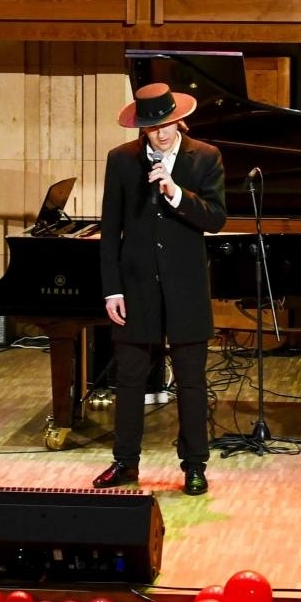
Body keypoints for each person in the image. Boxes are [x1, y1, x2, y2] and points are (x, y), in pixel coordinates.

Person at [94, 83, 228, 496]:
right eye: (154, 128)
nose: (163, 134)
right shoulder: (121, 161)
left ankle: (194, 466)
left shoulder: (205, 157)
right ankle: (125, 462)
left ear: (178, 120)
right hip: (135, 288)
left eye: (168, 125)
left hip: (186, 287)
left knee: (190, 381)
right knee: (131, 379)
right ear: (143, 129)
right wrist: (111, 290)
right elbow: (110, 230)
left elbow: (216, 219)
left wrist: (175, 193)